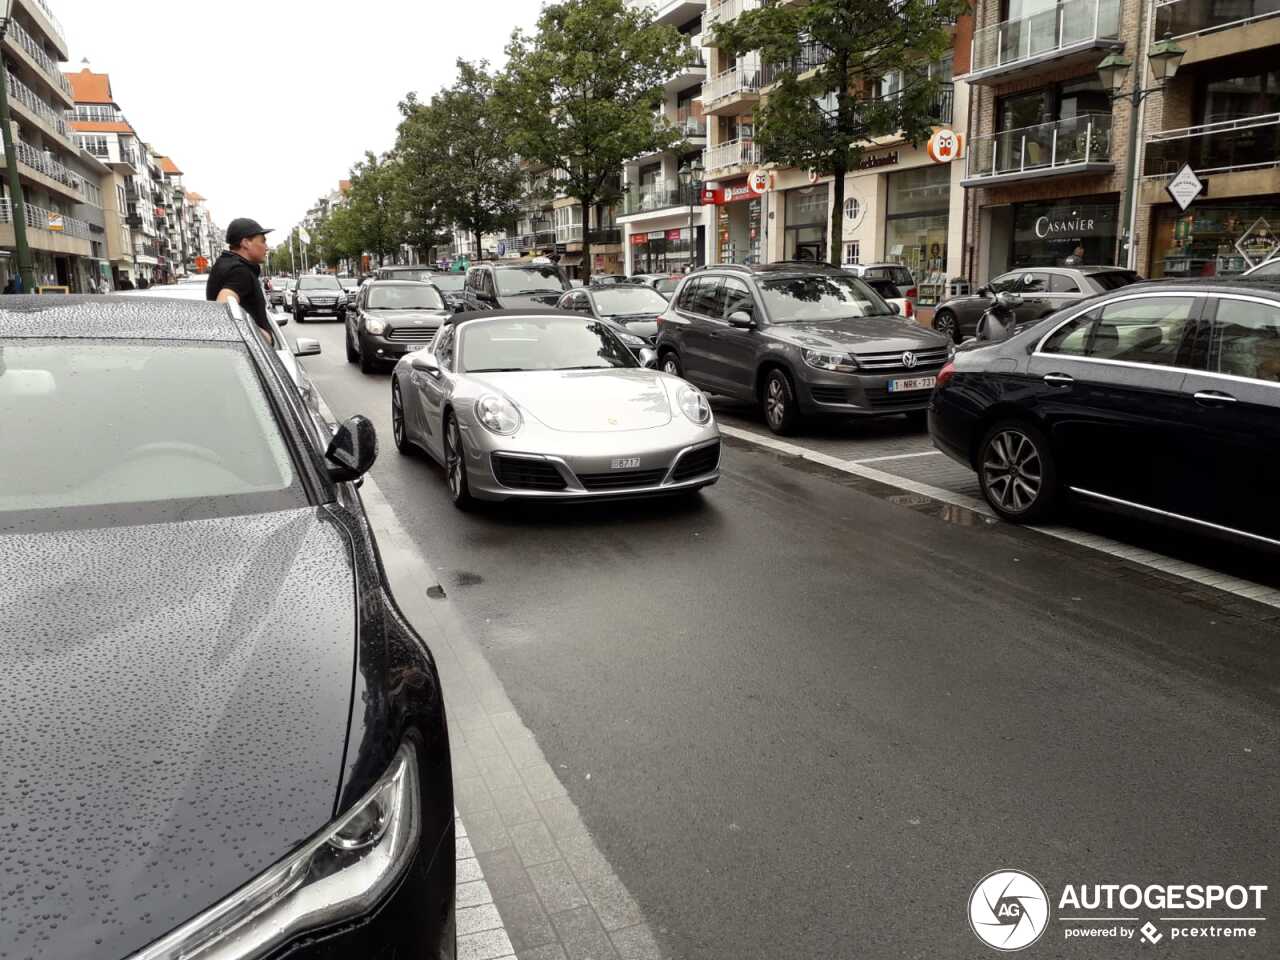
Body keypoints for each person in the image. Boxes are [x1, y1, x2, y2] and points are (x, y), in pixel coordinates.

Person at [207, 217, 274, 344]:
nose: (266, 247)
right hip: (246, 357)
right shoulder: (239, 271)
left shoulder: (225, 264)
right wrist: (261, 335)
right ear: (246, 243)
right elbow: (224, 307)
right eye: (263, 241)